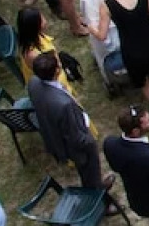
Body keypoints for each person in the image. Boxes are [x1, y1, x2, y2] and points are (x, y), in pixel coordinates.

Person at [28, 52, 114, 193]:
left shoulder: (33, 83)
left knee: (89, 172)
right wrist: (89, 142)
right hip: (77, 144)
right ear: (57, 71)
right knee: (89, 171)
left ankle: (96, 185)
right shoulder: (64, 105)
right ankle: (99, 198)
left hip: (55, 132)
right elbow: (75, 136)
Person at [16, 7, 80, 98]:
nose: (45, 20)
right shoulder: (33, 55)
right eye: (41, 19)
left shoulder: (35, 37)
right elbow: (48, 75)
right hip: (54, 88)